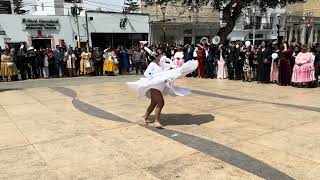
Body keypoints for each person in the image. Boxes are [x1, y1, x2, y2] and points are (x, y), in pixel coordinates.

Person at [127, 47, 198, 128]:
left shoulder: (160, 64)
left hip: (159, 87)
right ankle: (156, 121)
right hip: (155, 87)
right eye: (160, 55)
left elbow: (168, 67)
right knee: (161, 103)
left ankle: (145, 117)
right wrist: (155, 78)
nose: (161, 56)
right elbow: (147, 74)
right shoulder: (152, 64)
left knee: (154, 103)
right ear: (155, 56)